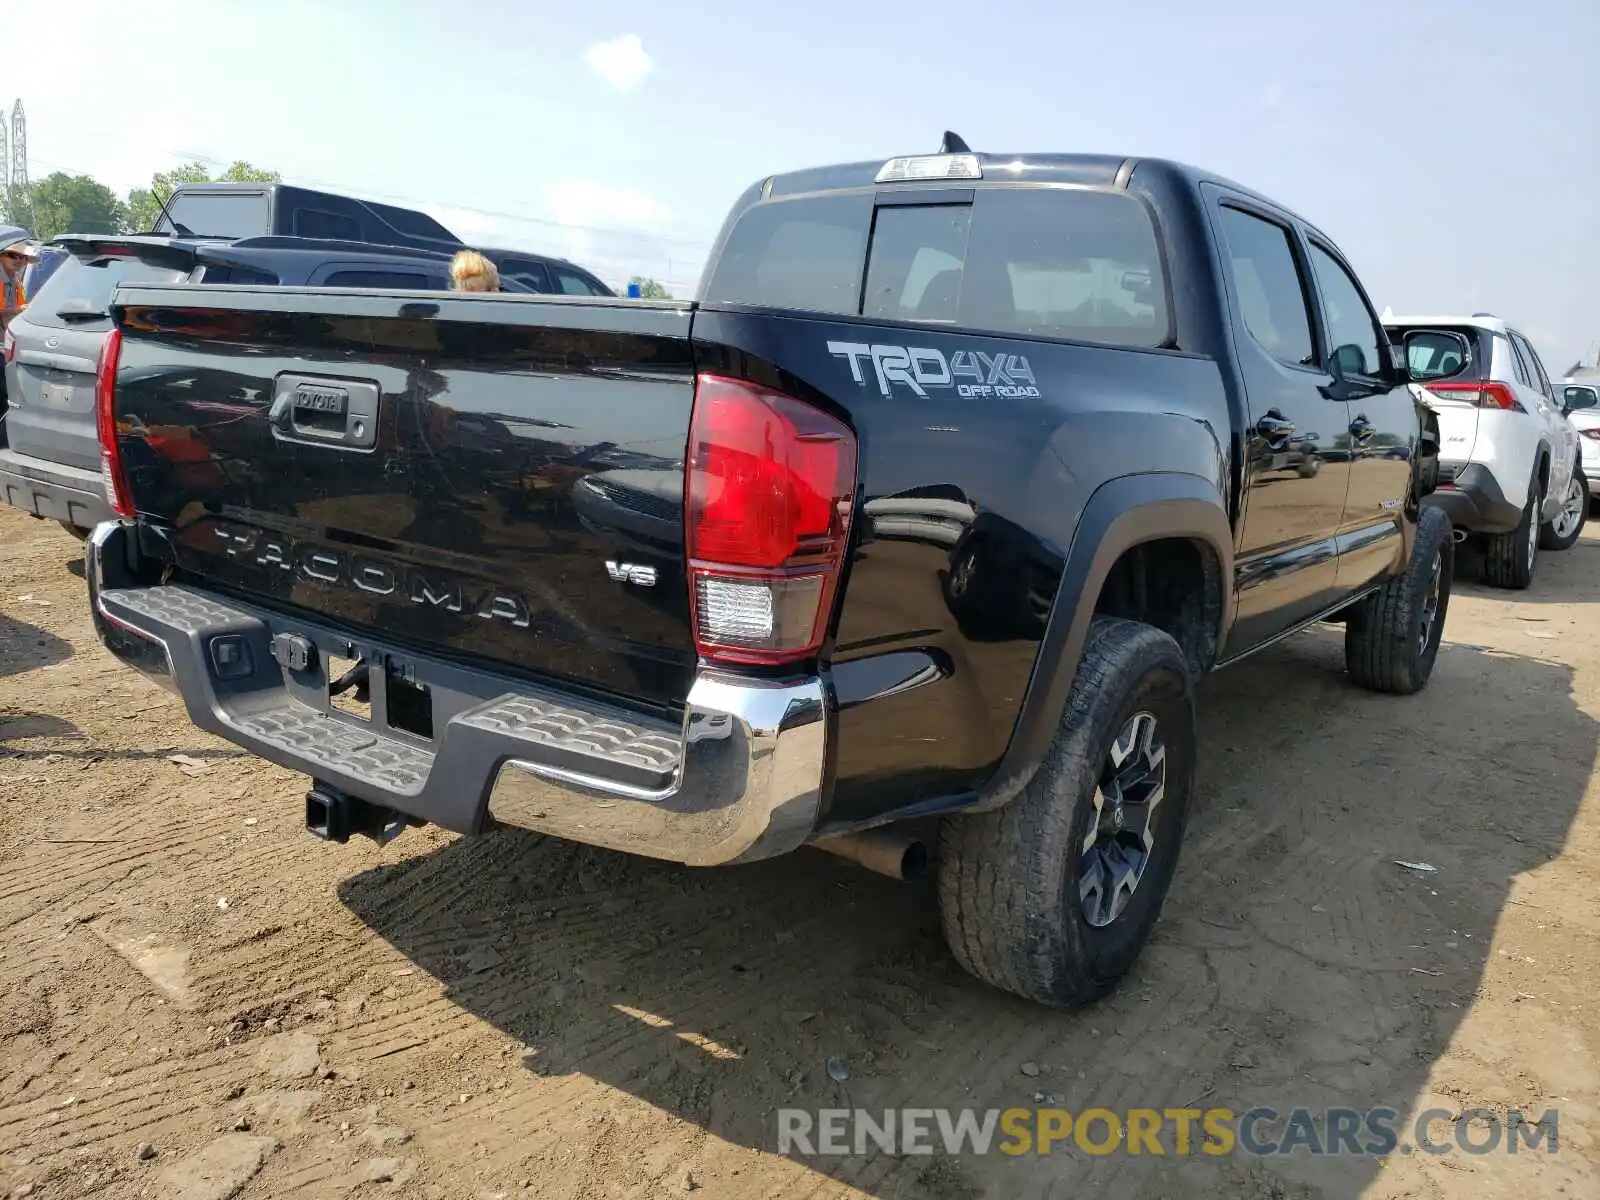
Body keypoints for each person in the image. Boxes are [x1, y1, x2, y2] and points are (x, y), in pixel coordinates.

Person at [0, 227, 36, 334]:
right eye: (13, 255)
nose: (18, 260)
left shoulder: (16, 281)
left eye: (22, 257)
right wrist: (19, 309)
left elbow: (23, 305)